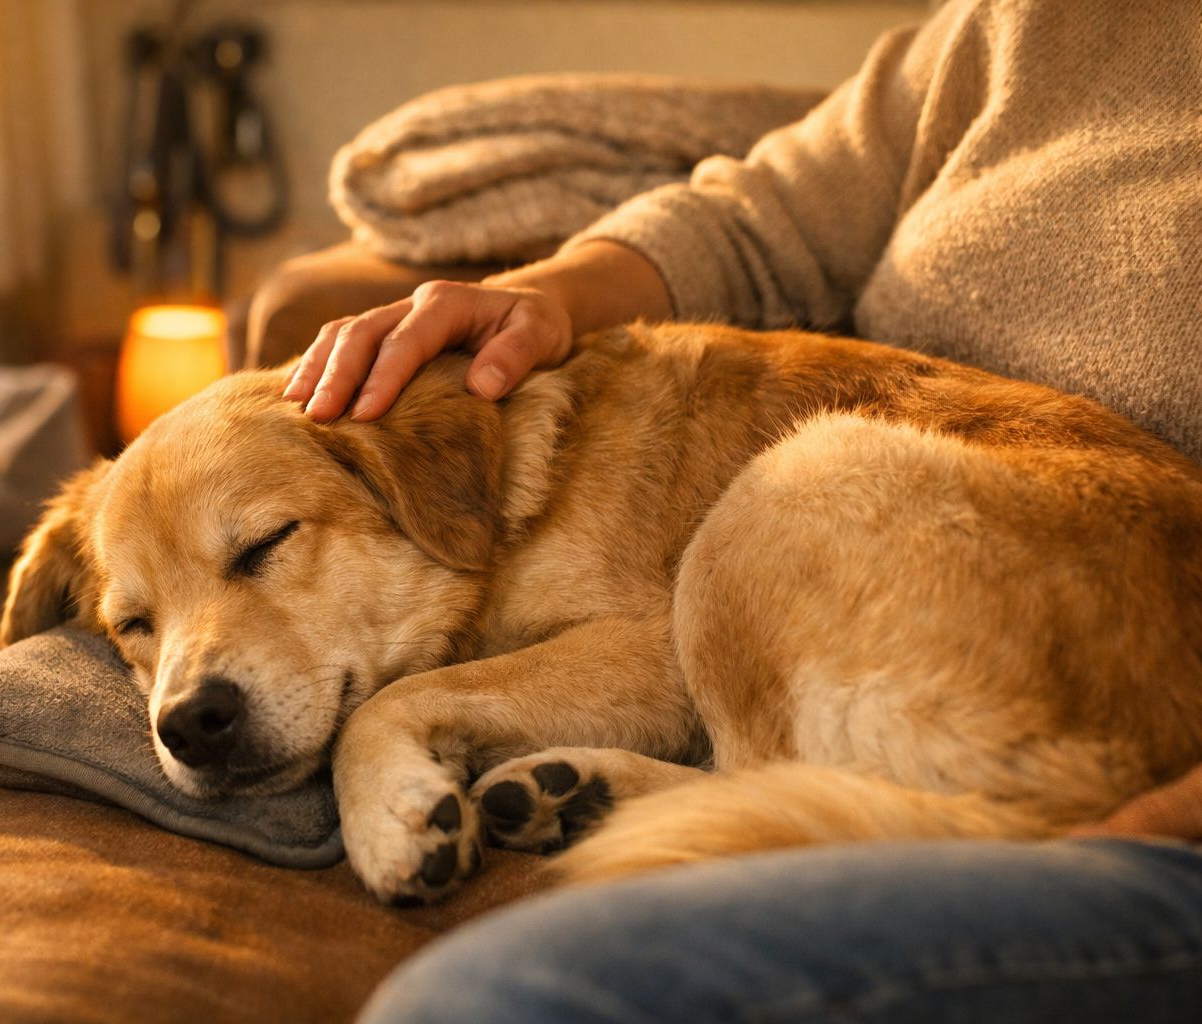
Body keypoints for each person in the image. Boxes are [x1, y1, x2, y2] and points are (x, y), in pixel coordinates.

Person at [280, 0, 1202, 1018]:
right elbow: (768, 216)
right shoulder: (1041, 19)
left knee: (488, 1001)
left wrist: (1154, 819)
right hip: (946, 571)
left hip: (1137, 761)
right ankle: (732, 787)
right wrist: (544, 294)